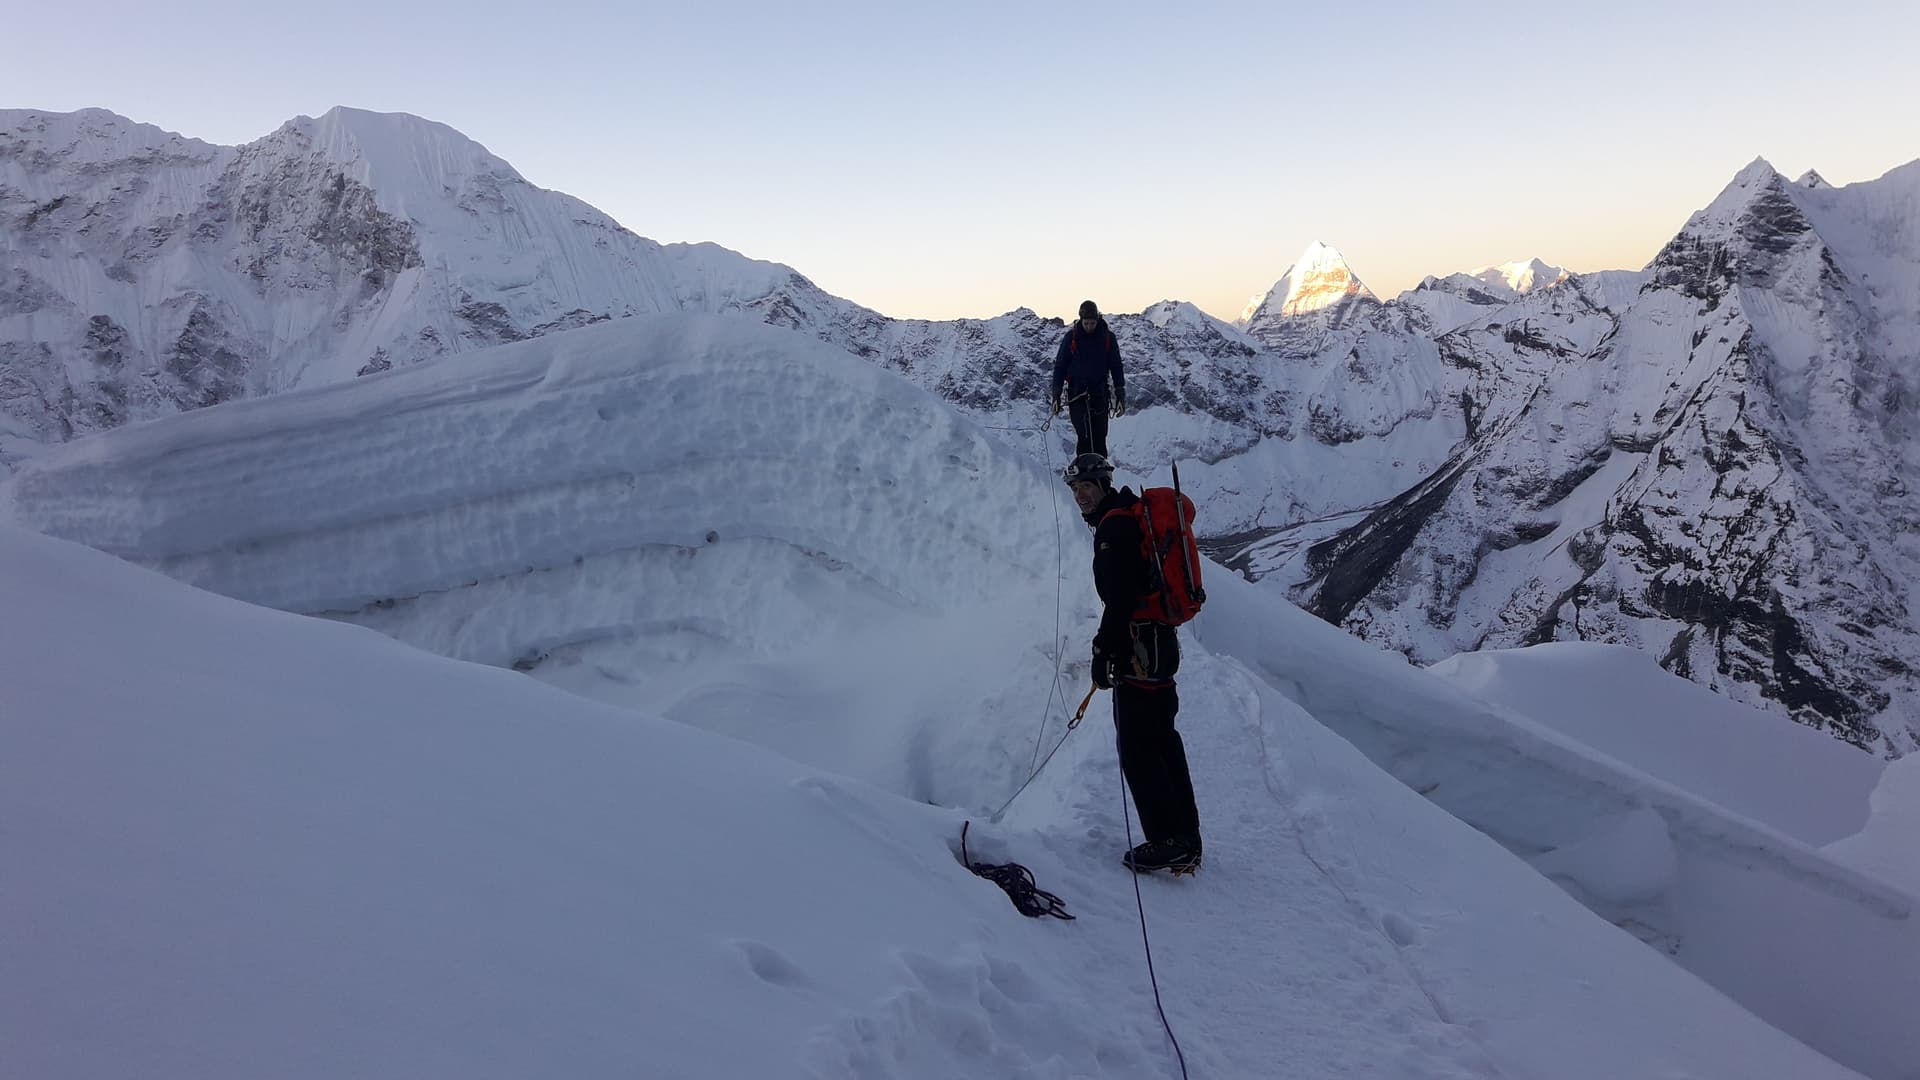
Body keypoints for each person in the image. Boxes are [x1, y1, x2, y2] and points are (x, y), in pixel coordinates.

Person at [1061, 452, 1203, 874]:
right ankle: (1186, 838)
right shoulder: (1128, 516)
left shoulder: (1114, 528)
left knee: (1139, 748)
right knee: (1163, 741)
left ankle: (1167, 839)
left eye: (1087, 486)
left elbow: (1120, 597)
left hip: (1140, 650)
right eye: (1075, 488)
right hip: (1159, 645)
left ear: (1104, 484)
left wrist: (1104, 650)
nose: (1080, 495)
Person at [1050, 300, 1126, 457]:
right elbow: (1060, 366)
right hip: (1077, 394)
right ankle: (1085, 468)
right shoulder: (1071, 338)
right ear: (1081, 320)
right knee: (1084, 435)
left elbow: (1116, 366)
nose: (1089, 326)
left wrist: (1120, 395)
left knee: (1100, 436)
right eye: (1086, 323)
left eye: (1092, 323)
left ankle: (1100, 468)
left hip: (1100, 393)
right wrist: (1056, 394)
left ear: (1097, 320)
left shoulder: (1107, 338)